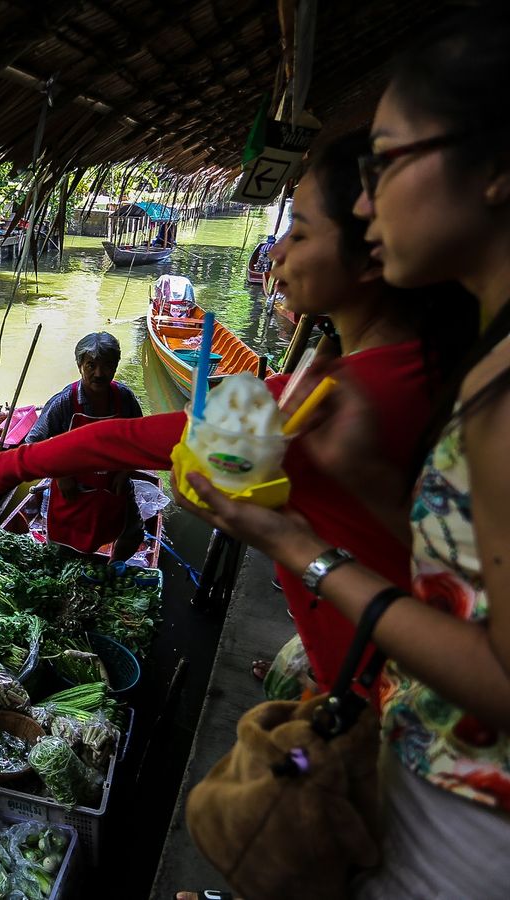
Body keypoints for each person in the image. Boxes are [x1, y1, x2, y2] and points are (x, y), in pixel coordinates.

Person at [0, 130, 475, 694]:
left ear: (374, 254)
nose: (276, 254)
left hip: (402, 700)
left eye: (299, 230)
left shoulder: (330, 401)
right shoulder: (434, 372)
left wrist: (2, 467)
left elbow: (121, 439)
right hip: (375, 670)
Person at [176, 8, 510, 895]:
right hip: (425, 760)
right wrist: (366, 487)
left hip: (470, 819)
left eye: (386, 162)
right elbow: (468, 578)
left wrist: (295, 546)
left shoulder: (496, 390)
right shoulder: (476, 361)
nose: (368, 203)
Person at [23, 331, 144, 556]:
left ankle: (113, 567)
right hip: (73, 492)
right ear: (80, 365)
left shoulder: (124, 399)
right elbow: (32, 444)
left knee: (133, 532)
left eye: (107, 365)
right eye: (91, 365)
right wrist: (60, 476)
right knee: (63, 550)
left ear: (115, 366)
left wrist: (125, 471)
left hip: (113, 488)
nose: (99, 373)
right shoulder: (64, 403)